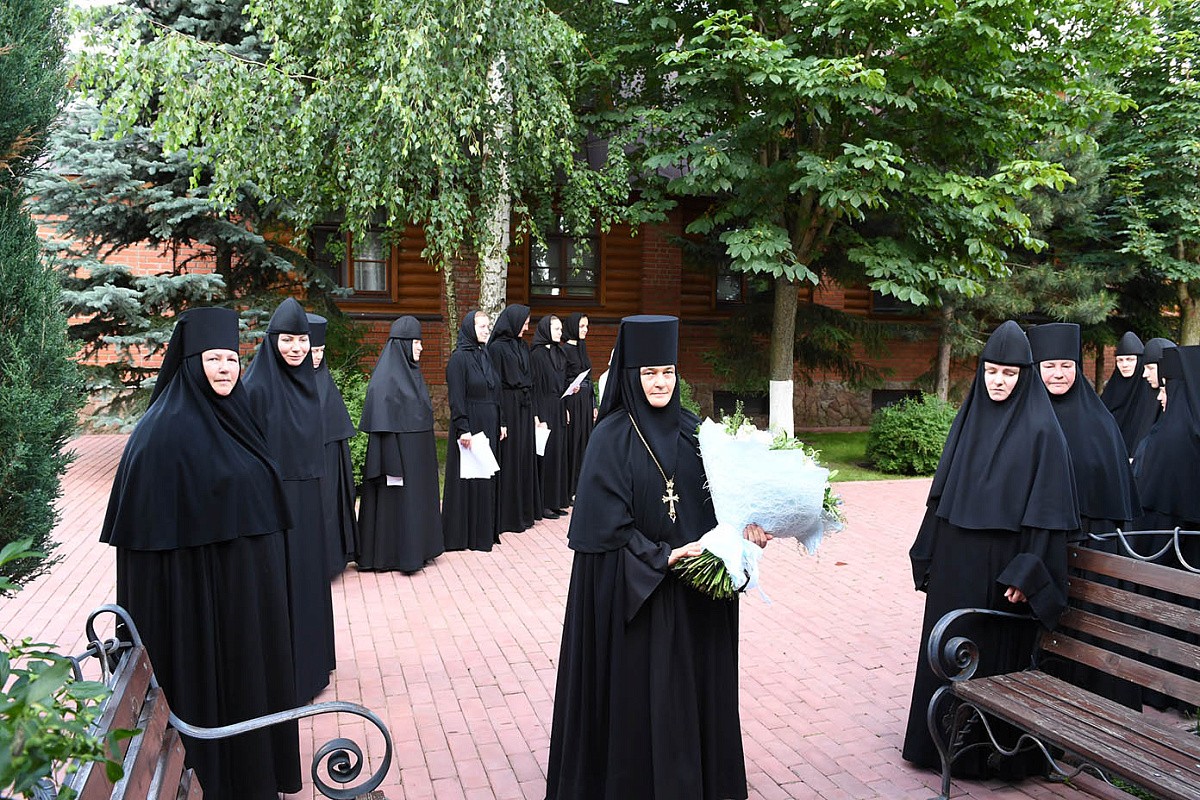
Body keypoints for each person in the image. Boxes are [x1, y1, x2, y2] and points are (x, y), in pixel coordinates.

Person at [545, 314, 769, 800]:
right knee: (643, 704)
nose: (661, 382)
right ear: (631, 374)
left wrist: (748, 530)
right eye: (649, 373)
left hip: (695, 602)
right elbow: (603, 533)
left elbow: (725, 506)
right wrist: (662, 557)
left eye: (667, 371)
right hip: (639, 603)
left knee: (692, 696)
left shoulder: (696, 433)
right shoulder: (610, 438)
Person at [101, 307, 301, 800]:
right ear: (191, 363)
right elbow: (151, 556)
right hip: (197, 617)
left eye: (231, 358)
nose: (225, 368)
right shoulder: (161, 436)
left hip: (243, 607)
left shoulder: (238, 416)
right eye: (213, 359)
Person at [902, 320, 1079, 778]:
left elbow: (1048, 512)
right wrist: (928, 551)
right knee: (945, 648)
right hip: (955, 563)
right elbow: (942, 497)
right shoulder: (970, 419)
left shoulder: (1043, 430)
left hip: (1003, 569)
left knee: (988, 653)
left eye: (1010, 373)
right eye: (992, 372)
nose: (999, 381)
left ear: (1024, 375)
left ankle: (985, 758)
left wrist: (1028, 572)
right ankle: (934, 746)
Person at [1028, 323, 1141, 708]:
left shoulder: (1099, 423)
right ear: (1036, 369)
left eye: (1066, 365)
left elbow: (1113, 495)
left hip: (1089, 550)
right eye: (1049, 366)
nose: (1058, 374)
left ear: (1077, 367)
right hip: (1037, 549)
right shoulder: (1025, 418)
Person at [241, 297, 336, 703]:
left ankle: (312, 665)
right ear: (272, 340)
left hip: (308, 499)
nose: (296, 348)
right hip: (275, 503)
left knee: (309, 579)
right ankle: (286, 674)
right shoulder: (255, 387)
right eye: (287, 340)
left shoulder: (307, 384)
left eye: (301, 340)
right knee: (282, 584)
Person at [357, 316, 444, 572]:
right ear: (404, 344)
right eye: (417, 343)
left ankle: (419, 549)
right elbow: (381, 428)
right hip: (396, 456)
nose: (421, 348)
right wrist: (391, 463)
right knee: (397, 504)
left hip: (418, 456)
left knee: (416, 503)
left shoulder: (413, 374)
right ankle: (392, 556)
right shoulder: (384, 381)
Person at [443, 310, 504, 552]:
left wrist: (501, 421)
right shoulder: (458, 359)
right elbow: (456, 397)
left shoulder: (485, 354)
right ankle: (464, 535)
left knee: (485, 477)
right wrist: (463, 428)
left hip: (489, 423)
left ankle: (483, 532)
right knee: (470, 478)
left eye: (488, 326)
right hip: (471, 424)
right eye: (482, 327)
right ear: (470, 328)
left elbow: (495, 391)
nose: (487, 331)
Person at [307, 312, 359, 576]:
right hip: (303, 462)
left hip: (328, 457)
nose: (317, 357)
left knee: (329, 508)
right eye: (313, 351)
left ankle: (331, 561)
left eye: (321, 351)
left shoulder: (325, 380)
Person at [489, 304, 542, 532]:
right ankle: (509, 516)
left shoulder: (522, 346)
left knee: (523, 455)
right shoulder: (496, 349)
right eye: (524, 323)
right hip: (508, 406)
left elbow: (530, 379)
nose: (527, 328)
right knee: (510, 457)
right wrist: (501, 418)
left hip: (524, 407)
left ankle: (524, 512)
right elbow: (495, 385)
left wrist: (534, 412)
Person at [530, 315, 570, 517]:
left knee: (559, 453)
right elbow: (534, 387)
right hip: (544, 407)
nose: (560, 333)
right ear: (546, 329)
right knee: (547, 454)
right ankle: (544, 503)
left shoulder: (559, 352)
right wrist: (536, 415)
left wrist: (566, 405)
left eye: (561, 329)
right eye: (556, 329)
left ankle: (557, 500)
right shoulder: (537, 355)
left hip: (558, 405)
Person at [1101, 331, 1160, 455]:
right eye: (1120, 360)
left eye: (1130, 359)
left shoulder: (1152, 395)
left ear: (1140, 360)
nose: (1124, 365)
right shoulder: (1110, 393)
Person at [562, 313, 594, 499]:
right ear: (574, 327)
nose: (585, 330)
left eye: (587, 326)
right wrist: (565, 405)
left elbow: (589, 375)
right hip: (573, 402)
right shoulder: (565, 350)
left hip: (585, 401)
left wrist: (593, 403)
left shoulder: (582, 347)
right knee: (573, 442)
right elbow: (562, 378)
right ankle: (571, 488)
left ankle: (582, 487)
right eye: (582, 326)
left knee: (585, 441)